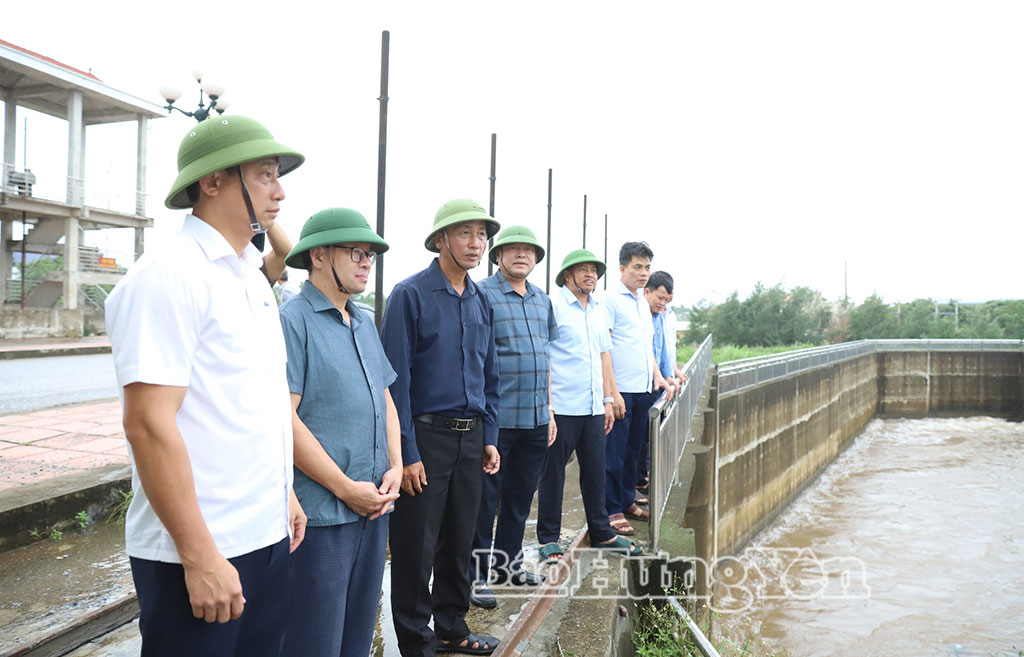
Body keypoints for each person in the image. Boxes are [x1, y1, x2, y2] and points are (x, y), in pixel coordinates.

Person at [105, 115, 307, 657]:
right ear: (213, 181)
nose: (280, 191)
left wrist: (281, 493)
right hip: (201, 549)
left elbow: (250, 403)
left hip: (263, 536)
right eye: (264, 175)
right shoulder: (168, 275)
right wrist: (199, 557)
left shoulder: (246, 275)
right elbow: (148, 424)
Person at [278, 208, 402, 657]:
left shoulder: (364, 320)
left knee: (356, 633)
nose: (365, 262)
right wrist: (346, 488)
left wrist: (396, 465)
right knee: (314, 638)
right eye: (355, 252)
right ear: (318, 257)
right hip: (323, 515)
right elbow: (283, 420)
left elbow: (384, 396)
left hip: (374, 505)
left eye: (369, 254)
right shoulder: (293, 321)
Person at [381, 198, 502, 656]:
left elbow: (490, 376)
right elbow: (396, 383)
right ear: (440, 240)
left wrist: (489, 438)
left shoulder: (480, 300)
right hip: (425, 437)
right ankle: (416, 641)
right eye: (465, 233)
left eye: (481, 235)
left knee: (461, 536)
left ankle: (452, 627)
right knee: (416, 544)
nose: (476, 244)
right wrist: (406, 453)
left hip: (471, 438)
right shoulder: (409, 296)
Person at [469, 225, 557, 609]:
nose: (522, 255)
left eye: (529, 250)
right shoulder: (482, 295)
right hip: (497, 420)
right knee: (483, 502)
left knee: (521, 499)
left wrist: (550, 410)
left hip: (536, 418)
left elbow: (545, 357)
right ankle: (475, 576)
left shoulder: (542, 300)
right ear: (498, 256)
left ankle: (508, 566)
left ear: (536, 259)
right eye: (513, 249)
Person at [536, 249, 642, 563]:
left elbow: (603, 355)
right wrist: (549, 407)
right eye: (582, 270)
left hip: (594, 406)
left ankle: (602, 532)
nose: (590, 275)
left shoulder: (597, 310)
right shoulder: (552, 306)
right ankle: (548, 538)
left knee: (595, 470)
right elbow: (545, 357)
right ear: (567, 276)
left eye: (593, 270)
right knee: (553, 473)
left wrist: (610, 399)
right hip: (564, 405)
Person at [603, 242, 672, 537]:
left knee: (633, 452)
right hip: (621, 391)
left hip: (643, 388)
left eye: (647, 268)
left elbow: (647, 347)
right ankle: (611, 510)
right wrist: (612, 393)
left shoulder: (642, 306)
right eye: (637, 267)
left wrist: (659, 377)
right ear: (622, 269)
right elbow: (603, 348)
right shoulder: (610, 300)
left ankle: (627, 500)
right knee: (614, 453)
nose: (643, 273)